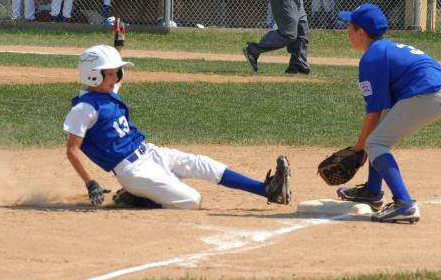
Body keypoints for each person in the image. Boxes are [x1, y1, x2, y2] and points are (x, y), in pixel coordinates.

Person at [63, 44, 292, 209]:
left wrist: (118, 47)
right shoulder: (84, 109)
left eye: (117, 72)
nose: (116, 77)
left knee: (203, 164)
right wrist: (90, 182)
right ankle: (137, 197)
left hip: (150, 152)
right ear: (93, 77)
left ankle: (267, 190)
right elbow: (72, 150)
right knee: (192, 200)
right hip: (132, 171)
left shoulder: (107, 92)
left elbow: (116, 81)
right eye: (111, 74)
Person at [334, 3, 441, 223]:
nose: (347, 32)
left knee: (375, 143)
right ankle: (372, 191)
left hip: (430, 93)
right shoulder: (384, 49)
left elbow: (373, 111)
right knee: (378, 137)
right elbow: (381, 113)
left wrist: (359, 149)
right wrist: (362, 147)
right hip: (437, 90)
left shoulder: (371, 59)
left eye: (349, 28)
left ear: (361, 32)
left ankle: (404, 203)